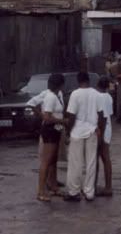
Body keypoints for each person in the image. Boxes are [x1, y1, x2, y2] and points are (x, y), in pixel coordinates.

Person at [64, 72, 105, 202]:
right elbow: (101, 115)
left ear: (78, 81)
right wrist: (100, 131)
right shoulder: (97, 94)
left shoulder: (75, 94)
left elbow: (71, 116)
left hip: (77, 132)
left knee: (75, 163)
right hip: (92, 131)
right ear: (88, 80)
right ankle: (89, 192)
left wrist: (67, 132)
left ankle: (74, 191)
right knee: (91, 162)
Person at [37, 74, 67, 202]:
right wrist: (62, 121)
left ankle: (53, 186)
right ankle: (41, 191)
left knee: (53, 159)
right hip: (50, 130)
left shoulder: (55, 96)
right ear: (60, 85)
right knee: (46, 161)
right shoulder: (50, 97)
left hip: (55, 129)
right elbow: (47, 117)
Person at [28, 88, 65, 192]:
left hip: (58, 128)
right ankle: (43, 187)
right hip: (49, 128)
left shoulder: (59, 93)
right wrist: (42, 115)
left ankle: (53, 181)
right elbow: (31, 103)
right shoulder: (47, 94)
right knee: (47, 159)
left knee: (54, 158)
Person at [95, 76, 113, 197]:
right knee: (105, 158)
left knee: (101, 157)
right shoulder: (108, 97)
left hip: (102, 128)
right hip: (107, 128)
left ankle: (105, 187)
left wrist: (100, 134)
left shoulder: (99, 97)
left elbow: (103, 117)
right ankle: (107, 186)